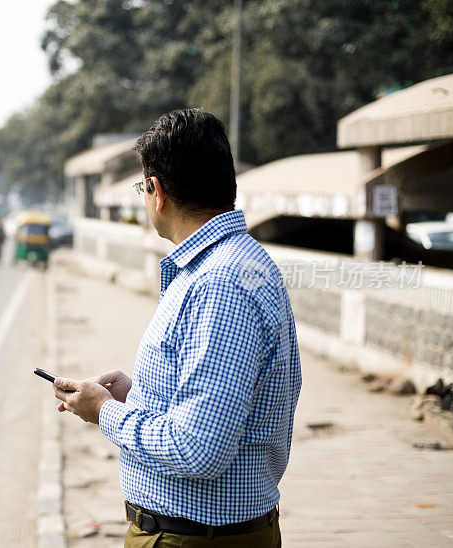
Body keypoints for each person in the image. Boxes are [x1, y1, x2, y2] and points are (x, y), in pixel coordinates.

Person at [52, 108, 301, 547]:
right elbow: (217, 400)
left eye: (142, 186)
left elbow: (198, 449)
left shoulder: (218, 284)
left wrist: (106, 411)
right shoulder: (236, 262)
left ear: (157, 192)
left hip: (193, 538)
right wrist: (136, 395)